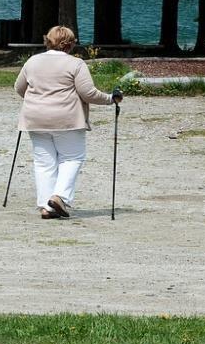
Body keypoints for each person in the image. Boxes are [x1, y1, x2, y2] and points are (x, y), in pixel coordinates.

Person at [14, 26, 123, 220]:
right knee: (72, 158)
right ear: (70, 44)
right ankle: (59, 197)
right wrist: (110, 99)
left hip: (35, 118)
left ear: (47, 40)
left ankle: (46, 205)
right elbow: (87, 93)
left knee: (43, 162)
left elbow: (19, 88)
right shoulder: (76, 63)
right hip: (67, 119)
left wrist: (37, 100)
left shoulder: (32, 61)